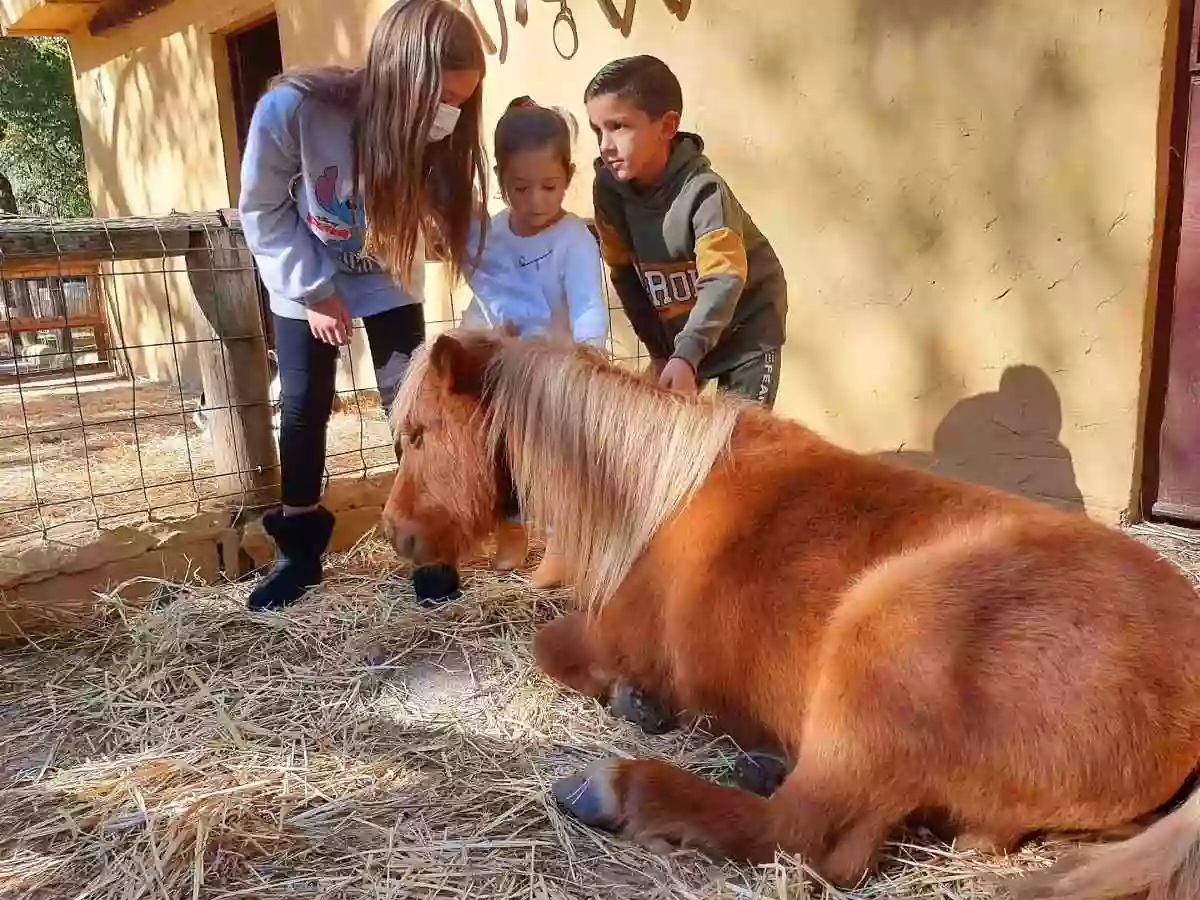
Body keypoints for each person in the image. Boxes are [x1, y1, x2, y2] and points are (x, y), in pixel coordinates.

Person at [237, 0, 489, 612]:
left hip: (385, 274)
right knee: (303, 403)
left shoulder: (435, 134)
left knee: (407, 399)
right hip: (306, 272)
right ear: (402, 81)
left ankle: (427, 543)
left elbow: (454, 226)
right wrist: (314, 290)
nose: (450, 116)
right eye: (442, 101)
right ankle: (297, 552)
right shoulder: (293, 111)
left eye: (461, 101)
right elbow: (263, 209)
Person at [461, 95, 607, 588]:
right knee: (500, 453)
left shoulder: (574, 239)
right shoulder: (493, 234)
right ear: (501, 179)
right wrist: (479, 340)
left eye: (550, 186)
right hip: (503, 370)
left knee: (560, 462)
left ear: (568, 174)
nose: (536, 200)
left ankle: (565, 547)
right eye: (520, 187)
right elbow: (483, 296)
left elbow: (588, 303)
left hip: (556, 372)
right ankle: (510, 531)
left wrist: (590, 354)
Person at [584, 55, 788, 408]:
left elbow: (723, 282)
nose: (605, 144)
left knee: (741, 441)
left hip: (746, 329)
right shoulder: (608, 191)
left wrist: (686, 354)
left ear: (667, 126)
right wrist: (662, 352)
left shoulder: (705, 194)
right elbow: (624, 275)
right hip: (685, 337)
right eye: (597, 130)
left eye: (619, 126)